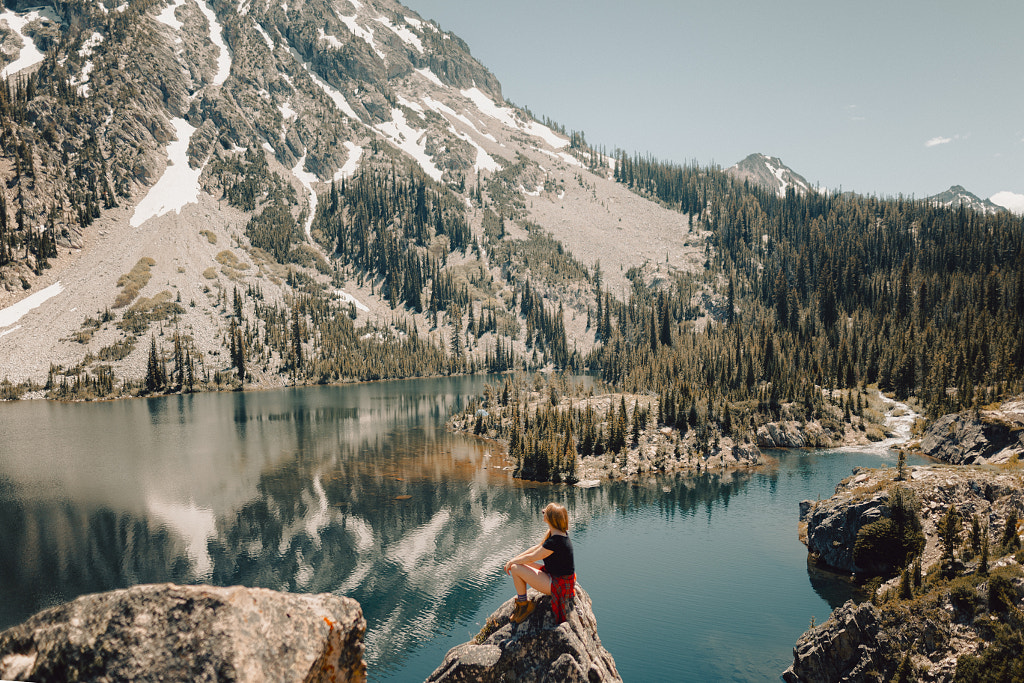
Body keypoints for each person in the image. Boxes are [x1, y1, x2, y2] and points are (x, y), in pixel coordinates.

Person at [503, 502, 576, 624]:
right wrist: (514, 558)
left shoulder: (555, 541)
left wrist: (512, 562)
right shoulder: (558, 534)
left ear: (550, 518)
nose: (543, 515)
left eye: (545, 513)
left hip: (557, 584)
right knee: (518, 564)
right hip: (558, 577)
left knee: (516, 568)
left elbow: (532, 557)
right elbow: (536, 549)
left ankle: (524, 606)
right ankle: (523, 603)